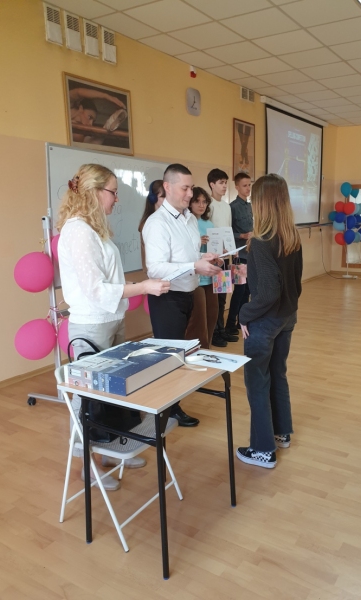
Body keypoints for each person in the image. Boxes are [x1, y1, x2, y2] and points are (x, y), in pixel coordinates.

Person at [57, 163, 170, 490]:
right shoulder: (78, 231)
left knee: (114, 391)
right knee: (87, 399)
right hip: (91, 326)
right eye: (113, 192)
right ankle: (87, 465)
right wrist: (143, 287)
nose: (116, 199)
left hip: (111, 320)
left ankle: (110, 449)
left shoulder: (95, 228)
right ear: (94, 192)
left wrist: (135, 285)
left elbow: (107, 279)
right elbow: (95, 290)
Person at [143, 164, 222, 427]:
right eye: (185, 188)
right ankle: (166, 411)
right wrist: (193, 265)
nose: (190, 194)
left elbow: (187, 256)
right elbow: (155, 268)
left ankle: (173, 403)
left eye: (191, 188)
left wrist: (204, 258)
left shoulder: (189, 219)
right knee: (169, 357)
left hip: (189, 293)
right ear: (167, 187)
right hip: (167, 298)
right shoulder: (157, 223)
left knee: (184, 353)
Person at [236, 174, 303, 469]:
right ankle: (281, 433)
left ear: (262, 203)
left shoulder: (261, 242)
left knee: (257, 382)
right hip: (287, 317)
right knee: (277, 374)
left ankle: (263, 450)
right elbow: (294, 284)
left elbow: (268, 293)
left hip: (264, 322)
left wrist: (244, 314)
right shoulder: (292, 237)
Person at [207, 168, 238, 347]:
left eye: (225, 182)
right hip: (213, 258)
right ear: (212, 184)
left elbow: (228, 230)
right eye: (221, 182)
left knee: (223, 295)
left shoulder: (226, 206)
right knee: (215, 297)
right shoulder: (208, 205)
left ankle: (221, 329)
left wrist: (232, 249)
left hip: (225, 257)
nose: (224, 186)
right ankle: (214, 332)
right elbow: (209, 232)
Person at [185, 187, 219, 349]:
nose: (201, 205)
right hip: (196, 279)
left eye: (204, 202)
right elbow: (185, 252)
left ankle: (208, 348)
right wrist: (199, 242)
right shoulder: (186, 222)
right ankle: (199, 351)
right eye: (197, 201)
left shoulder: (209, 223)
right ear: (190, 203)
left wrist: (221, 250)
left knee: (212, 315)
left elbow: (215, 249)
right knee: (199, 321)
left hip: (211, 277)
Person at [225, 172, 253, 336]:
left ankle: (241, 321)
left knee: (247, 290)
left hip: (250, 253)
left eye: (249, 185)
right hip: (239, 255)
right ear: (236, 187)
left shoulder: (249, 206)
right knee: (240, 290)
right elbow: (228, 232)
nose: (248, 188)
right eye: (244, 185)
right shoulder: (232, 207)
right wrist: (241, 235)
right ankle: (230, 323)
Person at [138, 180, 165, 279]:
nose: (167, 200)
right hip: (157, 276)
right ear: (153, 198)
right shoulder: (149, 223)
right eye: (163, 196)